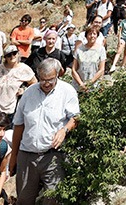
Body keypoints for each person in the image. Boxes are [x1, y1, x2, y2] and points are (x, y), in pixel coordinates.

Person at [10, 58, 79, 205]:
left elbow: (76, 118)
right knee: (23, 199)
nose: (46, 83)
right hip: (27, 154)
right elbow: (18, 125)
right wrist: (14, 155)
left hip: (53, 155)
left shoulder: (67, 91)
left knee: (53, 198)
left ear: (57, 76)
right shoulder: (29, 93)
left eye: (50, 80)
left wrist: (64, 130)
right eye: (43, 80)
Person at [0, 45, 36, 115]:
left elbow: (34, 82)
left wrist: (25, 90)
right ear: (5, 57)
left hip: (13, 109)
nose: (12, 56)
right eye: (9, 55)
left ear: (18, 54)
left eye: (14, 53)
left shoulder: (24, 69)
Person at [71, 25, 106, 91]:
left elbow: (101, 70)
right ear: (86, 36)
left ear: (97, 36)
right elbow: (73, 70)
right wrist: (81, 84)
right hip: (79, 86)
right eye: (90, 34)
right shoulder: (79, 50)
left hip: (93, 87)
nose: (92, 36)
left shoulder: (101, 49)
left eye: (94, 34)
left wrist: (89, 83)